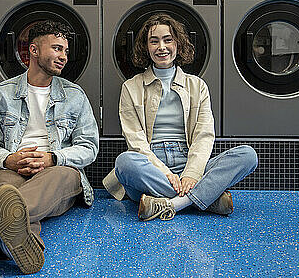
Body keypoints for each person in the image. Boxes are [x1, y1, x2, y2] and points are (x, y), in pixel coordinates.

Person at [0, 20, 99, 274]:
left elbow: (89, 147)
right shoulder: (3, 93)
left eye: (65, 51)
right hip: (14, 167)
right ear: (33, 51)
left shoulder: (75, 95)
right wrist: (9, 159)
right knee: (4, 187)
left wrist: (52, 158)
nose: (63, 57)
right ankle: (15, 239)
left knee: (62, 175)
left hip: (57, 170)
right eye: (57, 49)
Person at [103, 13, 258, 221]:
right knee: (125, 162)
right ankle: (205, 199)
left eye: (168, 40)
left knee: (247, 155)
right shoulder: (131, 87)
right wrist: (166, 174)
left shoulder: (197, 85)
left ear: (178, 44)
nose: (162, 47)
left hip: (189, 160)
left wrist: (192, 174)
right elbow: (135, 141)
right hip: (150, 168)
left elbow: (204, 135)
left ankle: (172, 204)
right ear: (145, 46)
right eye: (154, 41)